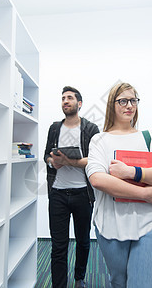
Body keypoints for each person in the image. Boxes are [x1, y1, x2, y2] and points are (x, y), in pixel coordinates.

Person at [85, 82, 152, 288]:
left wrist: (130, 172)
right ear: (112, 105)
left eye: (133, 100)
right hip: (110, 223)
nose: (129, 105)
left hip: (150, 222)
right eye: (123, 101)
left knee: (145, 284)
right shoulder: (99, 140)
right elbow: (97, 179)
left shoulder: (149, 137)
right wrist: (143, 194)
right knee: (119, 282)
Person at [44, 86, 100, 288]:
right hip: (57, 193)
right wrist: (53, 162)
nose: (65, 101)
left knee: (83, 240)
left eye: (69, 98)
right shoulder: (54, 128)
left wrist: (70, 162)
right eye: (62, 98)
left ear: (79, 103)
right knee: (58, 245)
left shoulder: (91, 129)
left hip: (82, 194)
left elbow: (95, 159)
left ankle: (79, 278)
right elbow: (46, 156)